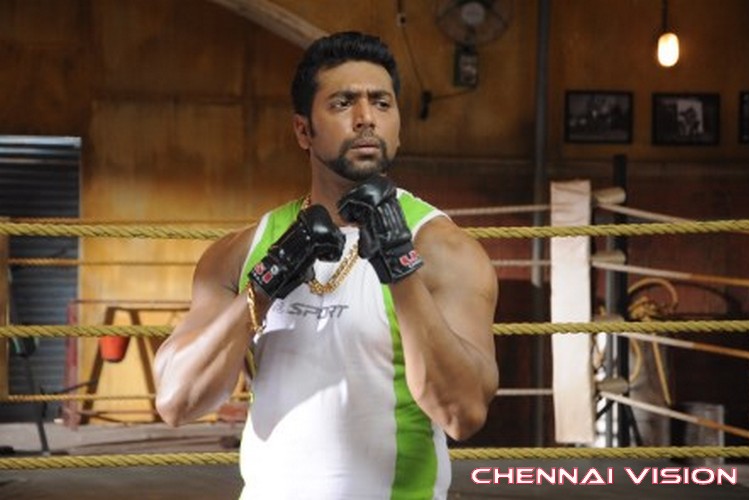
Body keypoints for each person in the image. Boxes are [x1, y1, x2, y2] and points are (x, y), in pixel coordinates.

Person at [154, 31, 499, 500]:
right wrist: (265, 284)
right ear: (303, 130)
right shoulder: (242, 250)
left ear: (398, 125)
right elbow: (177, 401)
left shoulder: (442, 249)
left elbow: (463, 413)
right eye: (342, 103)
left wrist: (399, 267)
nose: (366, 118)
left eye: (381, 103)